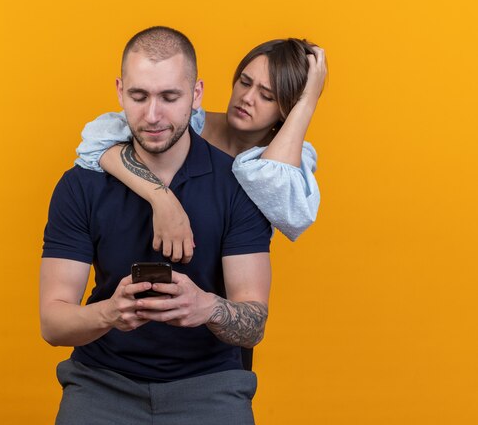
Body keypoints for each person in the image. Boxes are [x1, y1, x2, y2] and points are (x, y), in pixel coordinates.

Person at [40, 26, 272, 425]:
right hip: (101, 383)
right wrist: (109, 313)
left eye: (169, 97)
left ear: (196, 95)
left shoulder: (237, 184)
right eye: (138, 95)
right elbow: (53, 323)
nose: (152, 116)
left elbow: (254, 323)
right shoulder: (81, 186)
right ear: (119, 92)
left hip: (210, 385)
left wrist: (206, 307)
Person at [76, 38, 327, 264]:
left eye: (267, 96)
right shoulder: (186, 123)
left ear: (288, 109)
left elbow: (291, 214)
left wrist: (307, 102)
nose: (247, 98)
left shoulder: (293, 157)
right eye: (244, 82)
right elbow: (96, 141)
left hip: (225, 292)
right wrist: (162, 199)